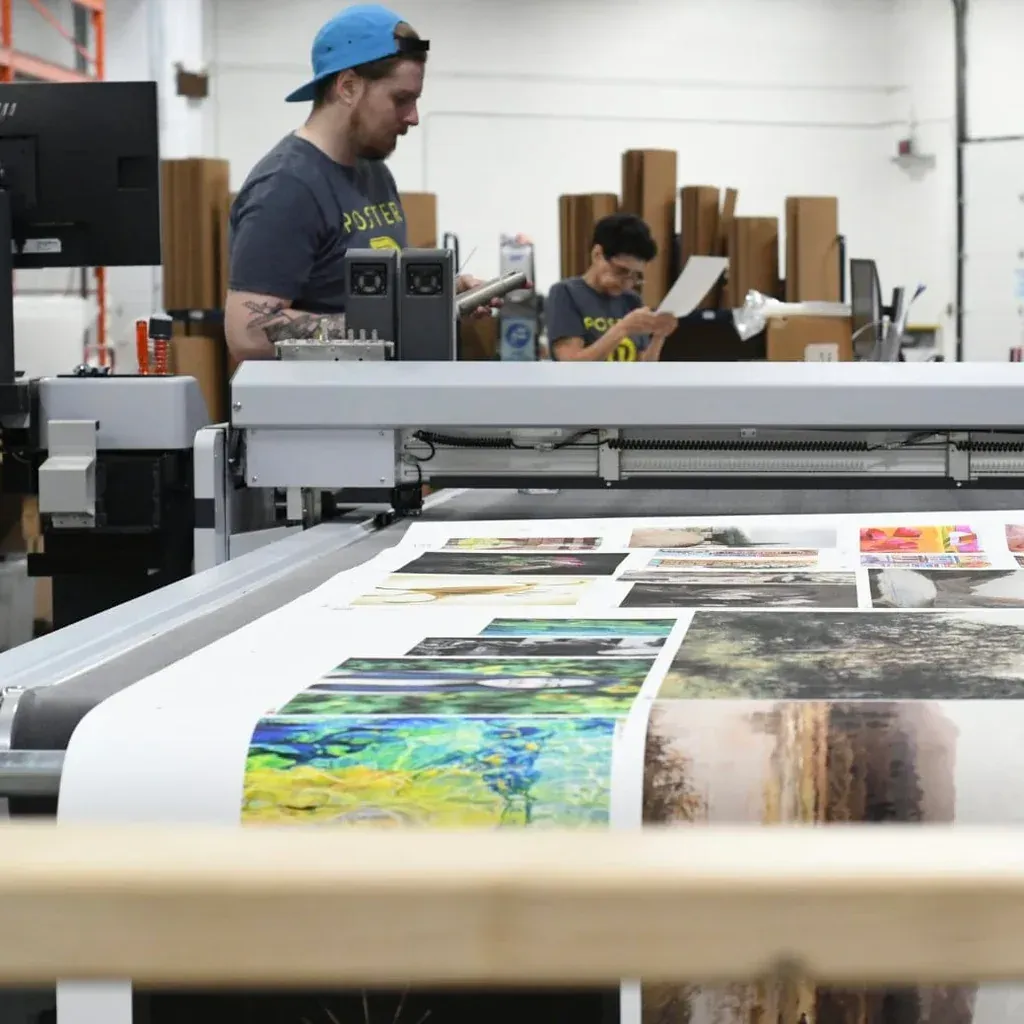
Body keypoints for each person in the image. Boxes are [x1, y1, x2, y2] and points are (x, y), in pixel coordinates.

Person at [225, 4, 486, 361]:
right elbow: (248, 333)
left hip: (379, 394)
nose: (413, 117)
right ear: (348, 87)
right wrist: (381, 327)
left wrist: (439, 297)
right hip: (326, 399)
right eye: (401, 99)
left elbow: (371, 292)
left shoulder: (373, 172)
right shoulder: (286, 188)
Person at [545, 213, 678, 362]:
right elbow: (570, 363)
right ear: (597, 254)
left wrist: (659, 336)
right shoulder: (566, 293)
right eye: (621, 271)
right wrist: (623, 328)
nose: (627, 283)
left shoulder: (631, 300)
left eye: (635, 276)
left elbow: (643, 367)